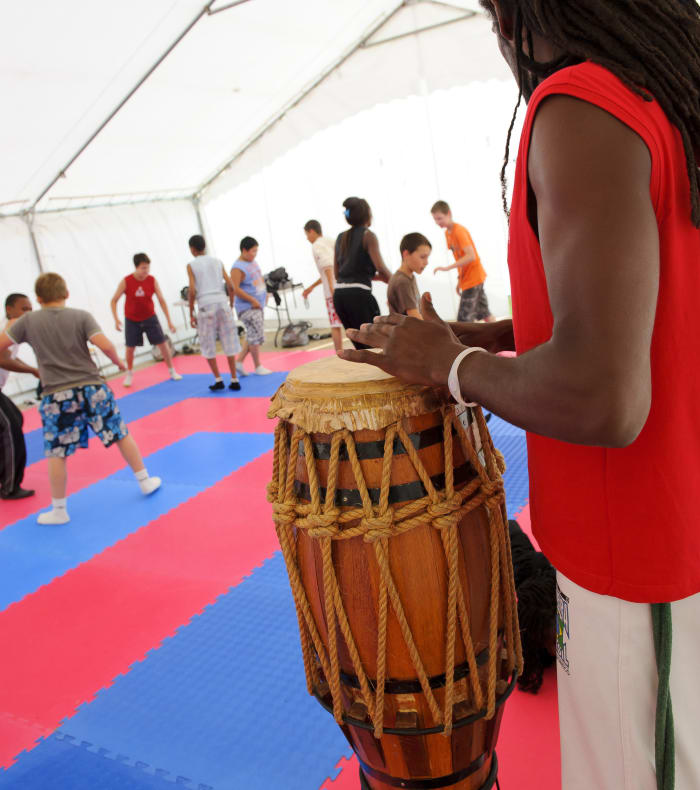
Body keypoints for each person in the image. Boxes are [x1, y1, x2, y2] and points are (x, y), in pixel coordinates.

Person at [339, 1, 700, 788]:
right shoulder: (664, 94)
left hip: (638, 564)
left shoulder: (582, 102)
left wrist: (448, 366)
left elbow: (605, 398)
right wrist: (499, 334)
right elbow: (658, 299)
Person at [0, 274, 162, 524]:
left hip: (57, 394)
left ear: (39, 298)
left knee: (56, 452)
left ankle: (59, 510)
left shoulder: (28, 321)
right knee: (120, 434)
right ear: (66, 294)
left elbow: (2, 343)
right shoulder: (81, 316)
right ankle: (145, 481)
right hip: (91, 387)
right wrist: (118, 362)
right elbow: (104, 343)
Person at [110, 252, 182, 387]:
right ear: (136, 267)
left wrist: (169, 320)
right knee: (130, 348)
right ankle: (129, 373)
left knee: (163, 344)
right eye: (143, 268)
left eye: (148, 268)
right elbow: (113, 300)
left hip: (150, 317)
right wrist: (116, 319)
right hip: (132, 319)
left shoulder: (152, 280)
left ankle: (172, 370)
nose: (146, 271)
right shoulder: (126, 281)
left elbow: (161, 300)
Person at [332, 197, 392, 349]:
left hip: (339, 297)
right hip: (358, 297)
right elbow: (381, 267)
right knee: (374, 344)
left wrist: (375, 277)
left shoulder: (341, 237)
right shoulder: (368, 236)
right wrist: (395, 280)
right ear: (367, 215)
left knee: (360, 345)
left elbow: (338, 273)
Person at [186, 234, 241, 391]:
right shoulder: (217, 262)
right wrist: (230, 303)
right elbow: (231, 286)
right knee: (229, 341)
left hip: (205, 305)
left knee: (207, 343)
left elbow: (191, 290)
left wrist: (191, 311)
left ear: (192, 249)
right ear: (205, 246)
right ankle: (234, 378)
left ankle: (218, 379)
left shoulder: (191, 265)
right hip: (221, 303)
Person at [0, 293, 39, 500]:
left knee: (16, 418)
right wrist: (33, 370)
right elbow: (3, 360)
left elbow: (11, 358)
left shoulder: (13, 329)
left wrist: (34, 369)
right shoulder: (11, 325)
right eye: (24, 309)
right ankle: (9, 487)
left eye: (30, 309)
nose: (28, 313)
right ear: (10, 310)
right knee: (10, 426)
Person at [431, 201, 494, 323]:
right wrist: (459, 280)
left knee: (464, 320)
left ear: (448, 213)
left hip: (474, 278)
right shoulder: (447, 234)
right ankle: (502, 338)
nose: (438, 222)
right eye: (435, 219)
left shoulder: (459, 231)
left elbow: (471, 256)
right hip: (469, 278)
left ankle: (468, 342)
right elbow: (460, 258)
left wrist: (447, 268)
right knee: (485, 313)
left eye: (440, 218)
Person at [301, 220, 344, 353]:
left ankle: (339, 354)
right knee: (348, 322)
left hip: (333, 292)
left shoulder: (317, 245)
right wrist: (311, 287)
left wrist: (332, 291)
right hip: (344, 286)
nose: (307, 238)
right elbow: (327, 271)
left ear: (312, 231)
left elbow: (327, 267)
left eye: (307, 234)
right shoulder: (331, 241)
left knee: (335, 325)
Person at [231, 237, 272, 376]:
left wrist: (265, 294)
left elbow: (259, 279)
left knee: (253, 335)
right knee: (255, 336)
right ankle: (257, 366)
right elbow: (235, 289)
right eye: (253, 251)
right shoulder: (237, 268)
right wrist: (252, 300)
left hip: (258, 304)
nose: (255, 254)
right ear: (244, 250)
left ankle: (239, 362)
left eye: (256, 251)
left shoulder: (252, 262)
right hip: (247, 307)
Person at [387, 233, 432, 318]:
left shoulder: (409, 277)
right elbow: (414, 316)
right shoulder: (402, 281)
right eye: (422, 257)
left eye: (427, 257)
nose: (426, 262)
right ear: (406, 254)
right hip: (407, 330)